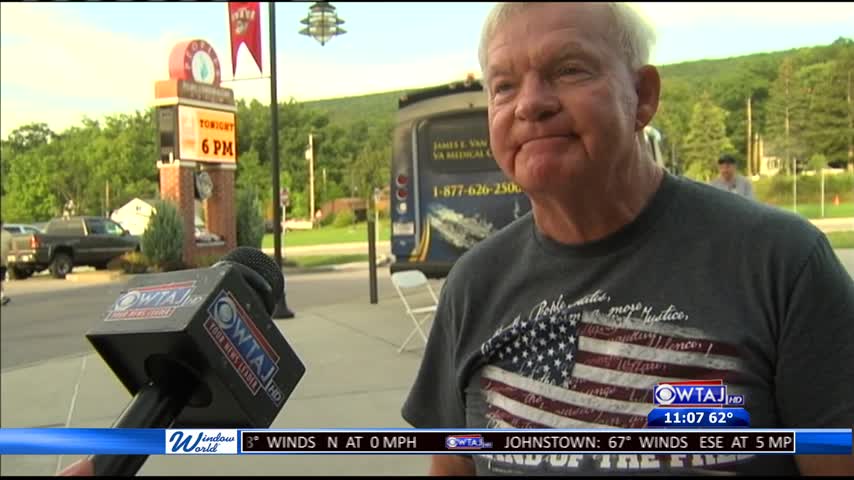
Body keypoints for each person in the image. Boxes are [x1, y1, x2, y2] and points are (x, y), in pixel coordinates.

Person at [401, 2, 854, 476]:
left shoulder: (782, 263)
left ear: (642, 96)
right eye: (503, 86)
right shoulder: (473, 285)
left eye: (569, 69)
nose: (530, 103)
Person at [1, 219, 12, 306]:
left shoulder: (8, 235)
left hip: (3, 262)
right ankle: (2, 297)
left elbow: (13, 247)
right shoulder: (8, 235)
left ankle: (2, 297)